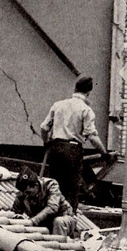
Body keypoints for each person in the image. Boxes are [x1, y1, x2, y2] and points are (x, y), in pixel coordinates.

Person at [41, 75, 112, 212]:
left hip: (56, 148)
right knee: (71, 190)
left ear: (75, 89)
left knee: (54, 187)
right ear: (88, 93)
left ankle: (51, 215)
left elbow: (44, 128)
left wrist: (47, 142)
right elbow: (92, 137)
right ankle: (68, 218)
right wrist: (104, 154)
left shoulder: (58, 105)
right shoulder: (86, 110)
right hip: (72, 150)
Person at [12, 167, 78, 238]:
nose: (26, 195)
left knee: (58, 222)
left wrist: (33, 221)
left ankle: (57, 243)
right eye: (24, 193)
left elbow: (52, 207)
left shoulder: (51, 185)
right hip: (43, 222)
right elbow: (15, 212)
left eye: (29, 192)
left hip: (64, 219)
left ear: (36, 185)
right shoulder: (23, 193)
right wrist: (18, 217)